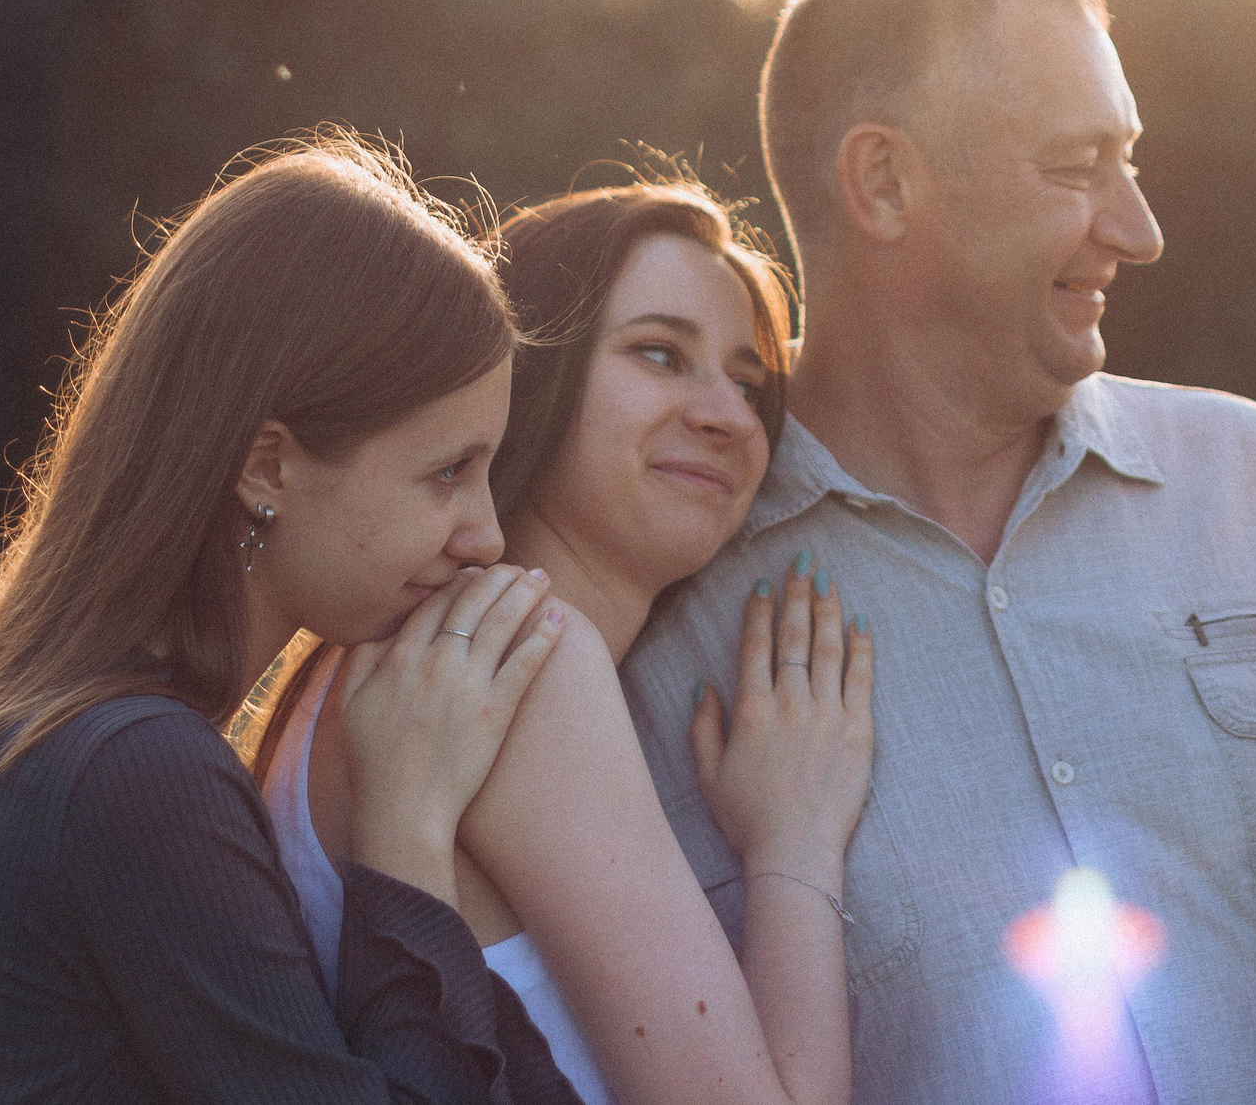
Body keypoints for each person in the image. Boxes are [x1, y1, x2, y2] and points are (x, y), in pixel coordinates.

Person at [623, 0, 1256, 1105]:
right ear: (883, 182)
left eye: (1128, 162)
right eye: (1076, 166)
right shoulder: (660, 607)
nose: (1139, 229)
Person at [0, 135, 580, 1103]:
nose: (486, 536)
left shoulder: (90, 747)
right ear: (266, 465)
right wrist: (409, 821)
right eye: (446, 471)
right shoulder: (134, 772)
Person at [266, 175, 878, 1105]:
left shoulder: (417, 648)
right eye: (660, 353)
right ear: (526, 377)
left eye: (749, 383)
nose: (727, 415)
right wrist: (796, 841)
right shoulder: (524, 659)